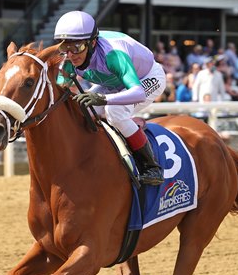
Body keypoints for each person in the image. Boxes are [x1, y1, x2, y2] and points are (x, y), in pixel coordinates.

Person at [54, 11, 165, 185]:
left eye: (76, 48)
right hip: (112, 82)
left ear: (92, 43)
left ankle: (151, 167)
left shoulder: (113, 54)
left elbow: (138, 92)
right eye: (64, 47)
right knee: (83, 109)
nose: (70, 55)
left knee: (114, 111)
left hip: (147, 78)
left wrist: (104, 99)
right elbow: (62, 88)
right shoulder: (68, 59)